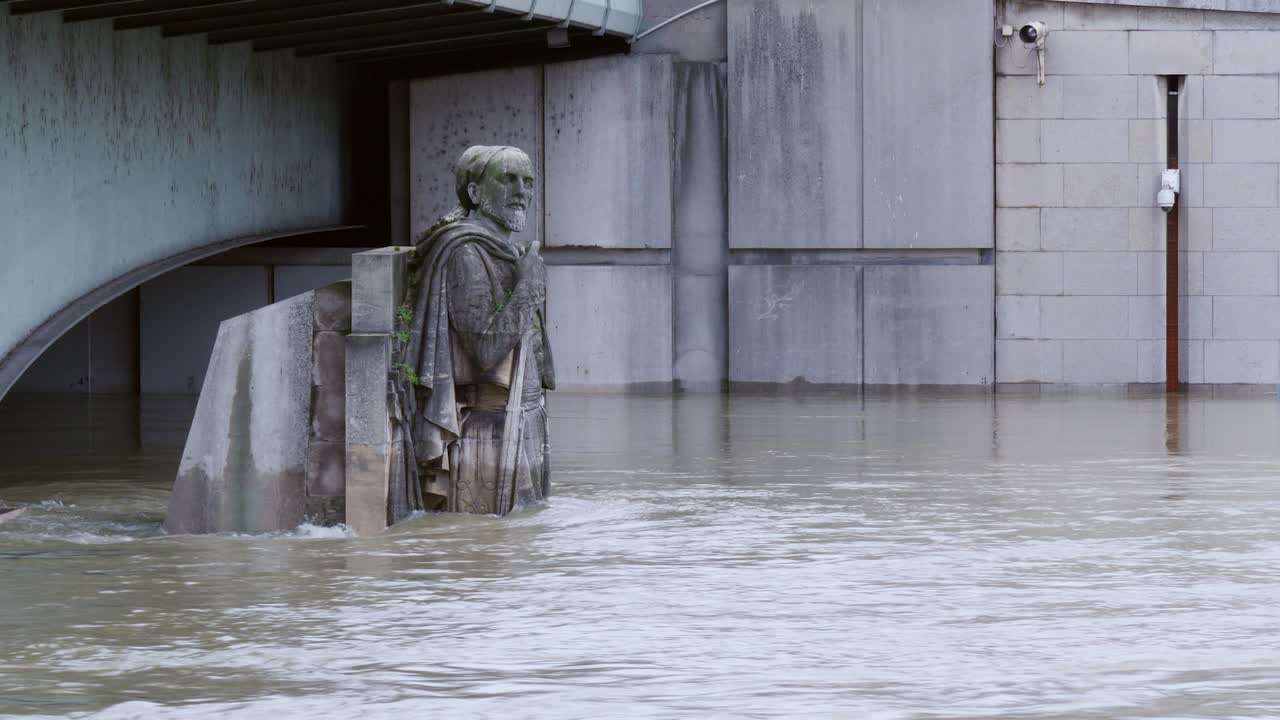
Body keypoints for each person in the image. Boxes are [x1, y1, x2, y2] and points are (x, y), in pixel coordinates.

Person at [391, 145, 554, 518]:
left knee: (522, 539)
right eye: (508, 179)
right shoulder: (466, 254)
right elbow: (486, 348)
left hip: (523, 418)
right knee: (491, 544)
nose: (522, 191)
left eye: (528, 182)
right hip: (488, 431)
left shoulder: (507, 252)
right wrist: (528, 287)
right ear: (476, 192)